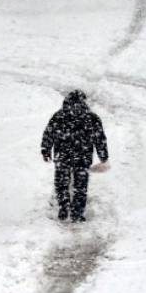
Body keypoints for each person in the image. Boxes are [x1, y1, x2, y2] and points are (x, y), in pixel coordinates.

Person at [41, 90, 109, 223]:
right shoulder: (92, 118)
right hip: (83, 157)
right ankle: (77, 214)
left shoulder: (59, 116)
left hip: (62, 156)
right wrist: (103, 156)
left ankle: (63, 208)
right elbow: (100, 139)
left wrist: (46, 150)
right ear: (84, 101)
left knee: (62, 184)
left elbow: (49, 133)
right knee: (80, 187)